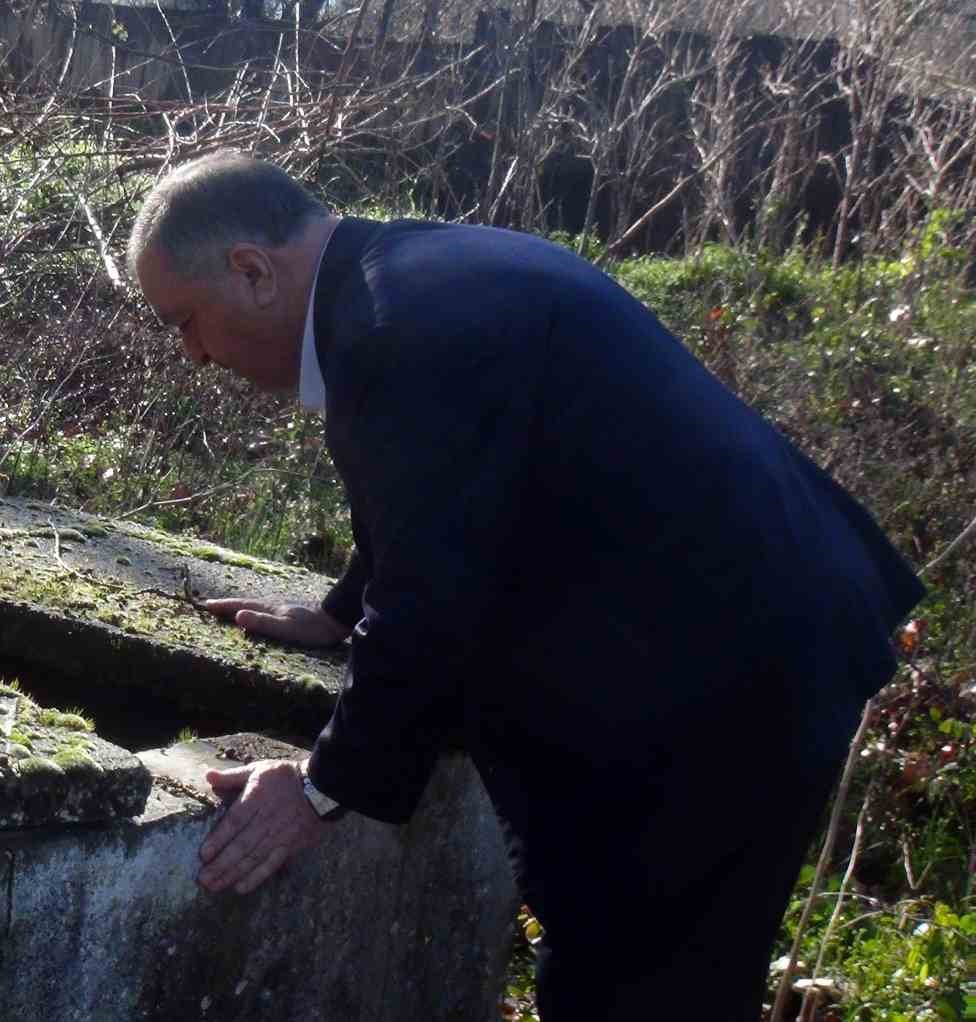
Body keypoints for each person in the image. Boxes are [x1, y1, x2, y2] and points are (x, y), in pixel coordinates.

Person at [126, 150, 925, 1019]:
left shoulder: (401, 329)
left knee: (636, 982)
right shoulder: (409, 278)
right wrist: (338, 612)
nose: (194, 354)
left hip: (724, 680)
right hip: (736, 635)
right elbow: (445, 497)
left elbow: (434, 592)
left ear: (251, 271)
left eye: (186, 320)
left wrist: (320, 787)